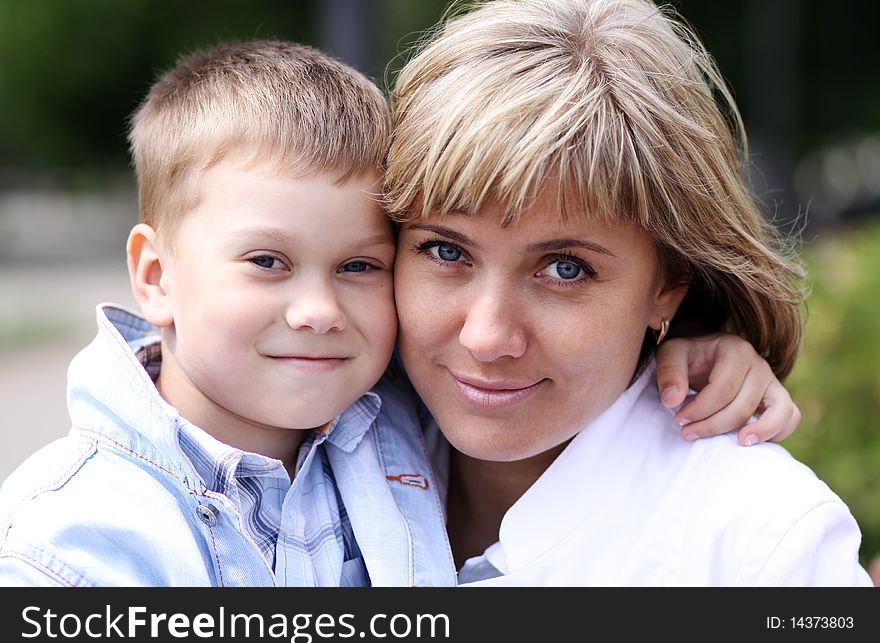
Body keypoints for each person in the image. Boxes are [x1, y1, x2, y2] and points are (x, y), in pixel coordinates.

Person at [0, 37, 798, 587]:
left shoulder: (375, 409)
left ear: (668, 287)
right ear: (155, 274)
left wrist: (699, 347)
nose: (316, 311)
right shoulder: (77, 534)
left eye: (357, 267)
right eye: (446, 251)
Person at [383, 0, 873, 585]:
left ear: (668, 284)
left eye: (564, 269)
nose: (487, 337)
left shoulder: (760, 544)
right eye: (446, 252)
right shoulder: (309, 445)